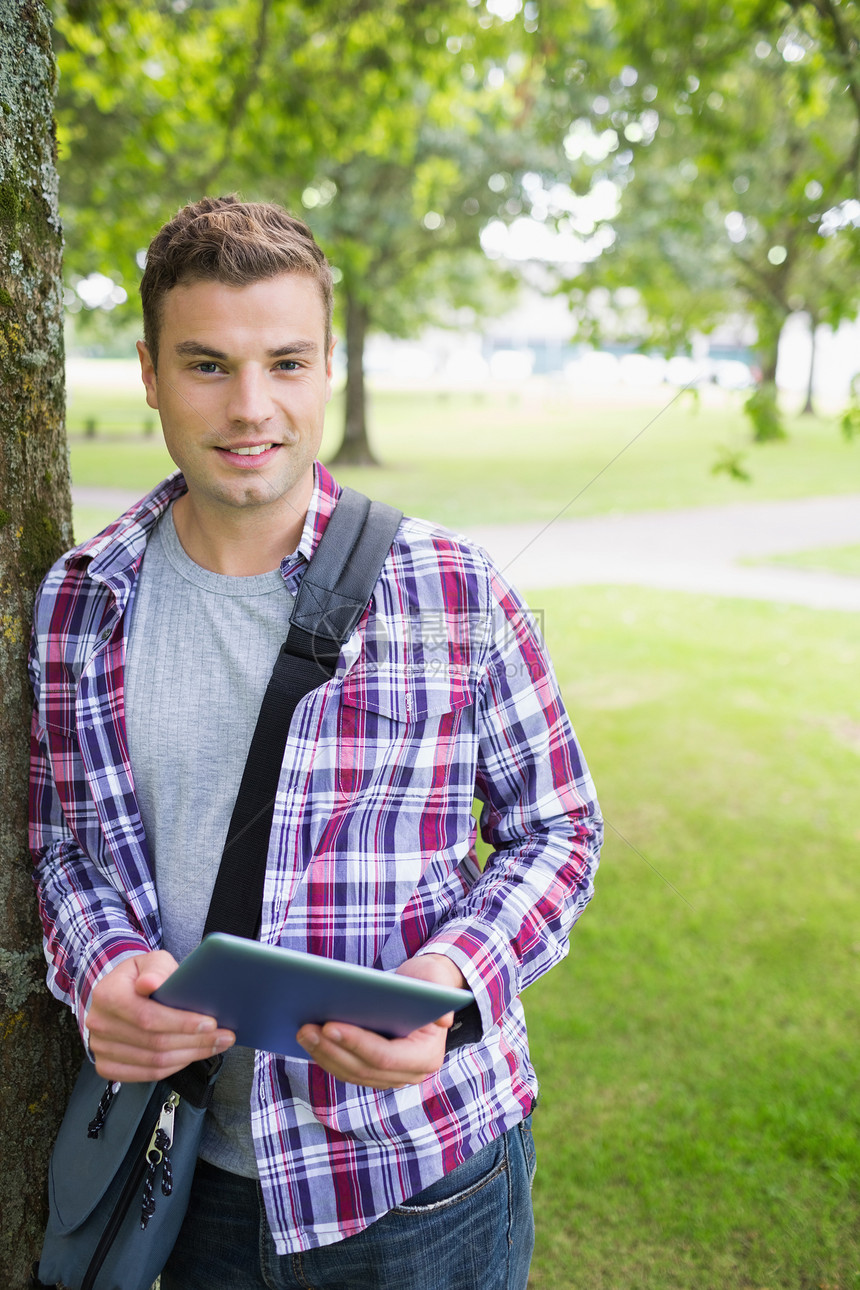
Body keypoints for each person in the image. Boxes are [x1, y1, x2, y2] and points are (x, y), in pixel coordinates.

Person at [29, 196, 602, 1290]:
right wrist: (101, 968)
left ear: (327, 367)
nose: (251, 408)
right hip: (181, 1167)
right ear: (148, 372)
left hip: (417, 1177)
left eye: (286, 363)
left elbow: (560, 831)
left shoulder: (452, 587)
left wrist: (452, 980)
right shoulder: (78, 602)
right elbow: (65, 848)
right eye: (206, 366)